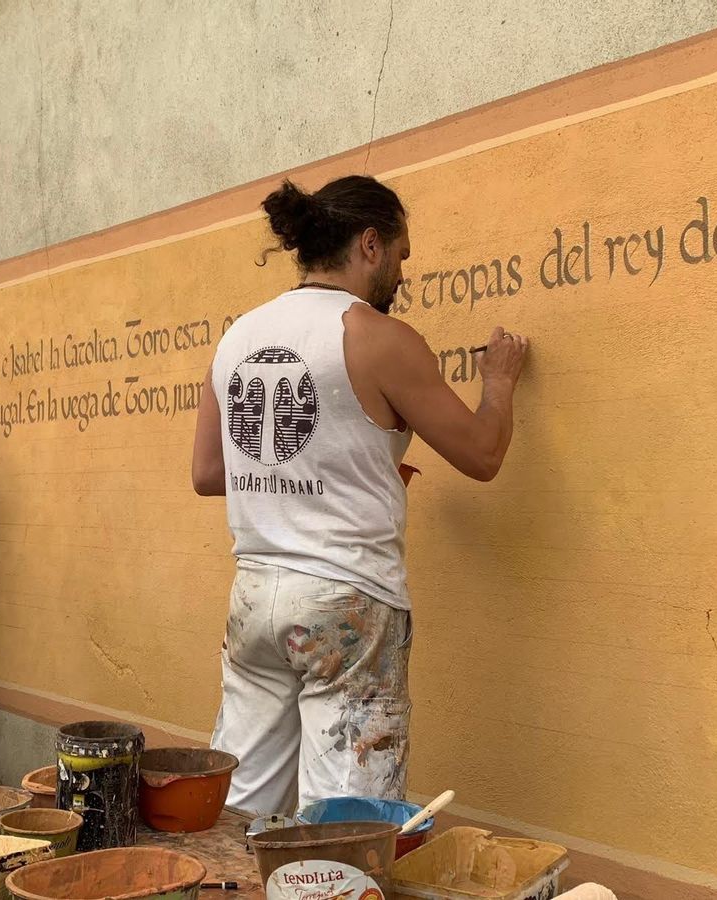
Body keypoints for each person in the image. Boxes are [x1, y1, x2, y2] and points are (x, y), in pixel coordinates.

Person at [191, 175, 529, 815]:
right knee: (345, 822)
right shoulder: (377, 336)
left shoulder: (237, 338)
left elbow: (210, 472)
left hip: (256, 597)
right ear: (369, 244)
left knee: (239, 810)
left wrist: (350, 476)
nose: (402, 274)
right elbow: (482, 454)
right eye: (401, 255)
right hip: (346, 603)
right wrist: (501, 383)